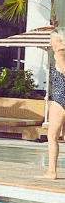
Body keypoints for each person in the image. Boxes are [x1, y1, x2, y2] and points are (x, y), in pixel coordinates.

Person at [44, 31, 65, 180]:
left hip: (60, 98)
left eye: (51, 40)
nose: (50, 42)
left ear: (58, 41)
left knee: (52, 136)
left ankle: (52, 171)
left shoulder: (59, 54)